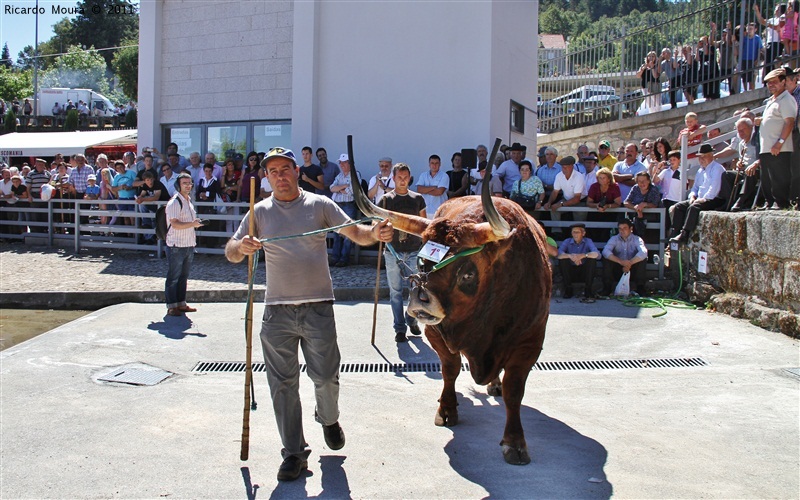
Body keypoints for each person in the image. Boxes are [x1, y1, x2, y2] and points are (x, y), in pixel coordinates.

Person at [224, 146, 393, 482]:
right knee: (282, 385)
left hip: (318, 307)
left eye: (285, 169)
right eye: (273, 171)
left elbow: (354, 232)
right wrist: (241, 247)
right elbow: (230, 250)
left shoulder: (319, 205)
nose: (280, 176)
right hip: (277, 312)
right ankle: (293, 453)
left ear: (297, 172)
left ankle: (328, 418)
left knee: (326, 376)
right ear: (267, 176)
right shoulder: (258, 212)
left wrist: (373, 233)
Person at [380, 162, 427, 342]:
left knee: (415, 289)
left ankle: (411, 319)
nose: (402, 180)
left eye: (405, 177)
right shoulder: (386, 200)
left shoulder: (417, 199)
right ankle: (399, 328)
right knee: (395, 291)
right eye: (399, 177)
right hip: (392, 251)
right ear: (393, 178)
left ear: (410, 178)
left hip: (414, 250)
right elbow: (377, 224)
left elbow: (423, 225)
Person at [669, 144, 726, 245]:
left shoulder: (717, 168)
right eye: (700, 157)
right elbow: (695, 188)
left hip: (714, 199)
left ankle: (684, 234)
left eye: (704, 156)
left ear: (711, 156)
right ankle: (675, 233)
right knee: (678, 207)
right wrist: (692, 196)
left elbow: (714, 189)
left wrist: (702, 199)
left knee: (694, 207)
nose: (701, 159)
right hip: (700, 198)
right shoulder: (700, 171)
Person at [165, 173, 203, 317]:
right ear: (178, 185)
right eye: (184, 183)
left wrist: (195, 223)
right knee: (173, 276)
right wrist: (192, 224)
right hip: (176, 244)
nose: (188, 185)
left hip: (188, 243)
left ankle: (181, 303)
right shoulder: (175, 202)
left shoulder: (188, 201)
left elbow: (187, 222)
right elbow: (174, 223)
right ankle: (171, 305)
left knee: (183, 276)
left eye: (189, 183)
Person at [758, 68, 797, 210]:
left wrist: (780, 143)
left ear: (783, 82)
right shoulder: (771, 100)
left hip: (779, 146)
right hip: (767, 146)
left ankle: (781, 203)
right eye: (768, 83)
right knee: (767, 178)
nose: (771, 85)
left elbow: (789, 122)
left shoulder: (786, 99)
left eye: (774, 82)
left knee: (779, 176)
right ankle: (770, 202)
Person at [713, 117, 761, 212]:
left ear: (751, 128)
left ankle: (741, 200)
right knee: (726, 175)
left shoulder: (757, 140)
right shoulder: (741, 143)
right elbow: (741, 158)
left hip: (757, 169)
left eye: (743, 129)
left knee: (750, 172)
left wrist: (755, 164)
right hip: (744, 169)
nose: (741, 133)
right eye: (739, 131)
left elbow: (763, 156)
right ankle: (728, 201)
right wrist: (739, 163)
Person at [601, 218, 648, 297]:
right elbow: (605, 251)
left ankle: (640, 287)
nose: (622, 231)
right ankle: (607, 287)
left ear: (631, 229)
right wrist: (621, 262)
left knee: (643, 259)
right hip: (618, 268)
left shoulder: (637, 239)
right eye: (620, 229)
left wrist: (629, 263)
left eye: (625, 228)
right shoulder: (614, 239)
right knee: (606, 258)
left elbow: (644, 252)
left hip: (632, 269)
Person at [329, 154, 361, 267]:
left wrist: (339, 188)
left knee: (348, 233)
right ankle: (335, 257)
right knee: (337, 232)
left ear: (349, 163)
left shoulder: (355, 175)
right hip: (338, 205)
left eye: (344, 162)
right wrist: (343, 187)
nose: (341, 165)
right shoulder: (339, 175)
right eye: (340, 163)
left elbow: (351, 191)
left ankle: (344, 258)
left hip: (349, 205)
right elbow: (331, 188)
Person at [558, 223, 600, 301]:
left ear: (583, 233)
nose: (575, 234)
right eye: (573, 232)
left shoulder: (588, 241)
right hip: (571, 272)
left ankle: (588, 290)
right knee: (563, 260)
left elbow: (597, 254)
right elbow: (559, 254)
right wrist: (571, 256)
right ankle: (568, 289)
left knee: (592, 260)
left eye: (577, 232)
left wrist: (583, 255)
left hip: (584, 272)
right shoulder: (567, 241)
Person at [740, 22, 763, 91]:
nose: (749, 30)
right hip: (744, 59)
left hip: (753, 60)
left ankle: (751, 90)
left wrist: (757, 59)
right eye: (748, 29)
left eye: (751, 29)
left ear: (755, 29)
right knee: (744, 76)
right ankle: (745, 90)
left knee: (752, 77)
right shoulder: (744, 38)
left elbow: (759, 49)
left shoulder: (757, 38)